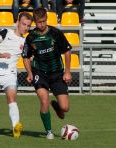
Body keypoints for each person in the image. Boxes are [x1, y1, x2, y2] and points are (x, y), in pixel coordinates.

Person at [0, 12, 33, 138]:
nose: (26, 27)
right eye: (24, 24)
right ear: (17, 23)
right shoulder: (5, 32)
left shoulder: (26, 41)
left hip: (10, 74)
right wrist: (0, 54)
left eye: (29, 26)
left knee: (11, 98)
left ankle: (16, 127)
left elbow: (28, 58)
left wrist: (31, 69)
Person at [22, 7, 72, 139]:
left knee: (65, 108)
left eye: (43, 21)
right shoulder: (31, 37)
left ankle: (58, 106)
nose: (41, 24)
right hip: (40, 73)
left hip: (57, 73)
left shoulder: (55, 33)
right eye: (39, 22)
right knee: (44, 101)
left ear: (46, 19)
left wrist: (67, 72)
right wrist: (29, 73)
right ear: (35, 22)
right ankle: (49, 131)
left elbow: (67, 51)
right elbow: (25, 56)